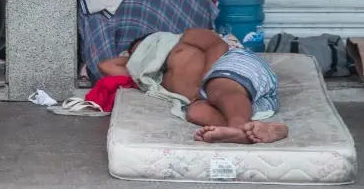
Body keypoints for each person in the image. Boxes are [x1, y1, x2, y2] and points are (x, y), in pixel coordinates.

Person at [99, 28, 287, 145]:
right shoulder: (151, 78)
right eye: (138, 54)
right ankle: (254, 132)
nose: (145, 53)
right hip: (225, 99)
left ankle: (238, 126)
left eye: (147, 46)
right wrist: (137, 60)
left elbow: (217, 45)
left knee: (217, 87)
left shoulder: (185, 38)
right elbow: (105, 66)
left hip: (236, 67)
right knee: (196, 112)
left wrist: (206, 79)